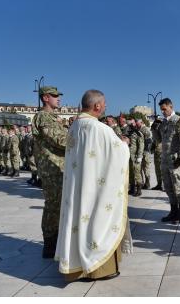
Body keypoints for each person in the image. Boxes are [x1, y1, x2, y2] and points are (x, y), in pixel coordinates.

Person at [55, 89, 132, 282]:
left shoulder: (74, 126)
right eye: (104, 103)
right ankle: (97, 268)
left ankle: (75, 267)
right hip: (94, 189)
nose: (106, 106)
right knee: (97, 221)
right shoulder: (100, 128)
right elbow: (117, 153)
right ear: (97, 105)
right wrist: (124, 143)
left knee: (78, 220)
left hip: (78, 186)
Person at [32, 86, 68, 258]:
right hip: (51, 167)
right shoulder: (43, 117)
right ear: (45, 98)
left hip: (59, 166)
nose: (58, 98)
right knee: (53, 205)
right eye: (55, 96)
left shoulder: (54, 117)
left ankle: (56, 240)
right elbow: (59, 140)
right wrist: (85, 139)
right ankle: (49, 244)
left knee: (59, 205)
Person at [158, 98, 180, 223]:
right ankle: (173, 211)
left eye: (165, 109)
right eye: (161, 110)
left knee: (177, 187)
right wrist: (155, 129)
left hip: (175, 159)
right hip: (165, 159)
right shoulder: (163, 122)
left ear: (171, 107)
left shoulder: (178, 121)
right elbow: (159, 140)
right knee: (169, 188)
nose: (163, 112)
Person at [128, 120, 144, 197]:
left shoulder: (138, 133)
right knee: (131, 173)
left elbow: (141, 145)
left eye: (132, 123)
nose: (131, 125)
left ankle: (139, 189)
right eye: (129, 124)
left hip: (135, 157)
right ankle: (132, 188)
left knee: (137, 173)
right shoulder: (128, 133)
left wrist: (140, 156)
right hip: (129, 156)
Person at [136, 118, 152, 190]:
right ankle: (141, 183)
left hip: (145, 152)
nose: (136, 124)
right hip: (140, 151)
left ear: (141, 122)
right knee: (140, 168)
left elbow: (149, 141)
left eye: (137, 123)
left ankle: (147, 183)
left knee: (146, 168)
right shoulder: (138, 129)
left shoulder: (145, 129)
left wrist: (145, 150)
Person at [150, 116, 163, 190]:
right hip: (156, 150)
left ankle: (164, 185)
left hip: (162, 150)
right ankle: (159, 184)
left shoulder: (161, 127)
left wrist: (157, 128)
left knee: (162, 169)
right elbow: (155, 139)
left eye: (158, 120)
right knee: (157, 168)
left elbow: (161, 138)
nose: (156, 122)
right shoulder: (154, 127)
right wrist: (153, 145)